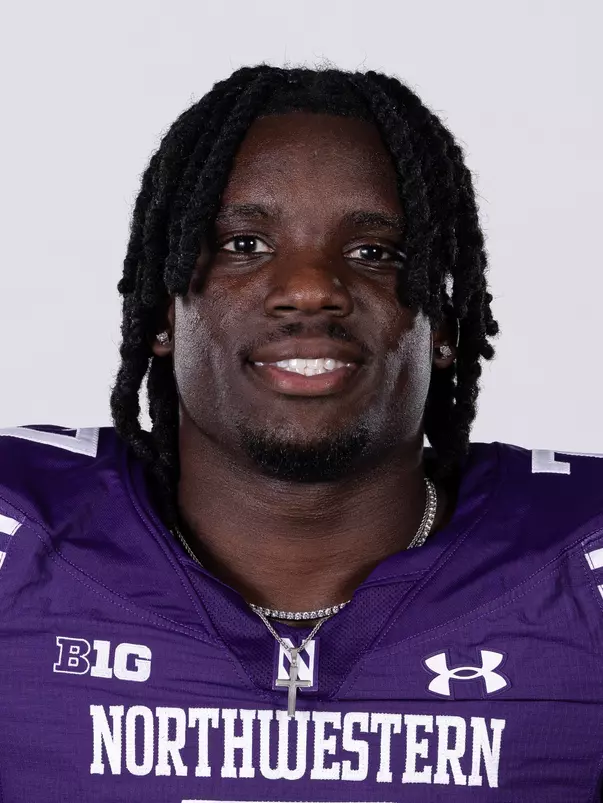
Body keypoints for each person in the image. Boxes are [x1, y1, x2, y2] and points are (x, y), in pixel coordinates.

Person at [0, 64, 601, 802]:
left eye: (375, 253)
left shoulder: (583, 568)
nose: (312, 288)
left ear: (443, 326)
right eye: (244, 244)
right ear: (162, 313)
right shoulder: (18, 541)